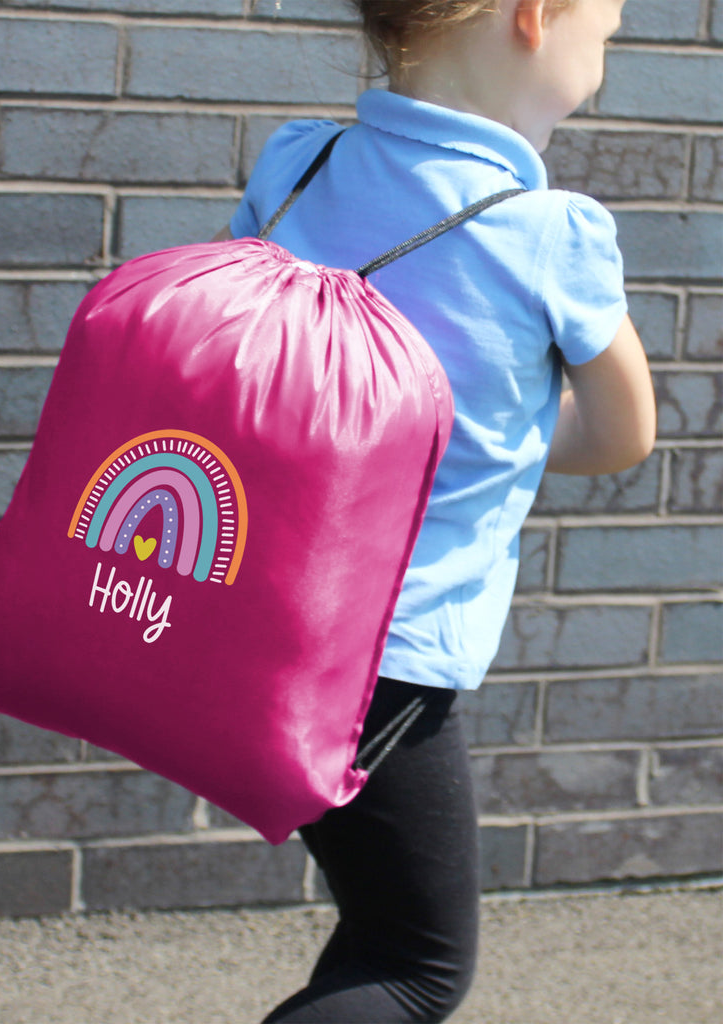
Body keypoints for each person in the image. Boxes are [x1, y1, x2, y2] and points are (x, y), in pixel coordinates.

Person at [216, 1, 657, 1021]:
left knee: (375, 923)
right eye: (609, 28)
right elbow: (620, 435)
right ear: (537, 17)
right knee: (412, 961)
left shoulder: (298, 166)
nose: (607, 48)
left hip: (244, 611)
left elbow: (240, 357)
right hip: (385, 657)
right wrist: (487, 441)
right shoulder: (551, 234)